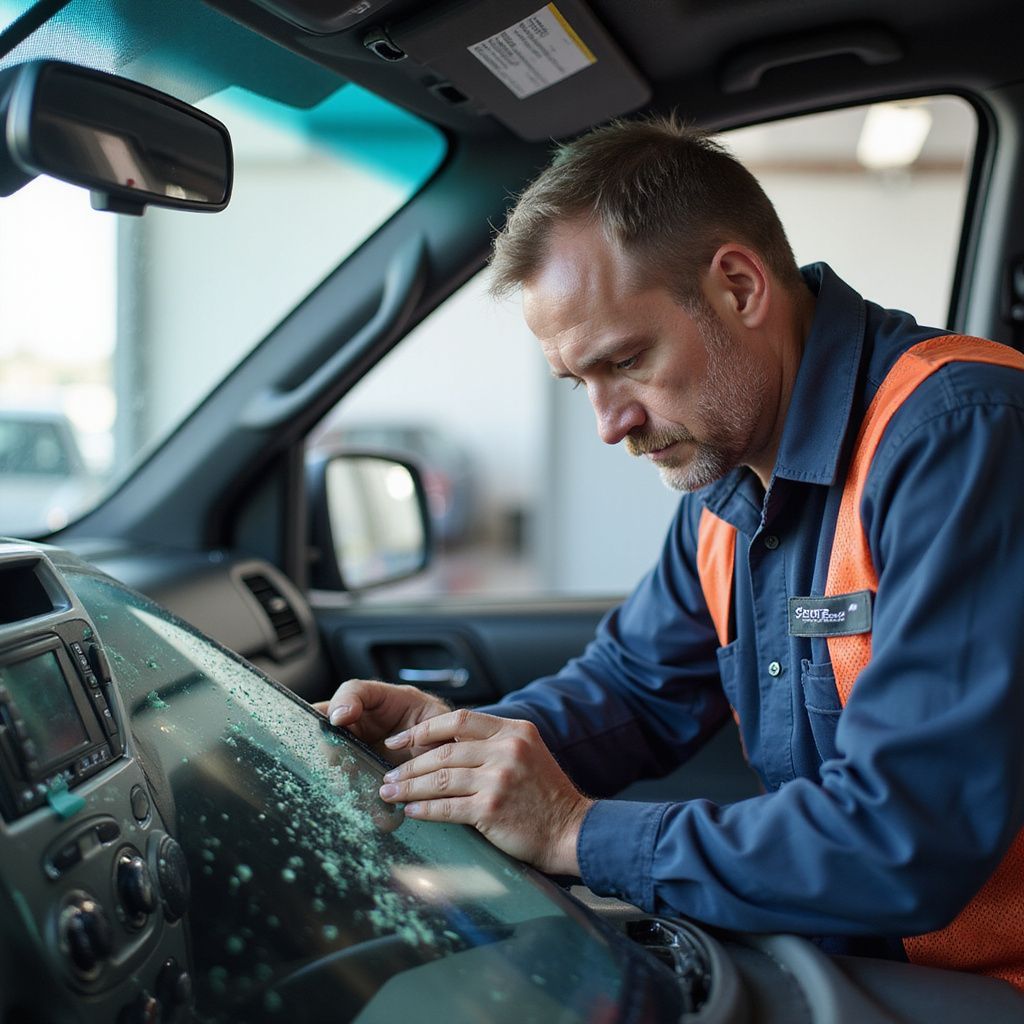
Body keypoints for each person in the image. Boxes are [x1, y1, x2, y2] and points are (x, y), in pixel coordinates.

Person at [316, 116, 1024, 988]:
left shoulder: (962, 437)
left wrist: (573, 832)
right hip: (863, 951)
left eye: (628, 360)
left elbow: (908, 835)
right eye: (582, 384)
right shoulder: (729, 483)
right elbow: (635, 691)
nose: (610, 424)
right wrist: (465, 752)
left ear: (737, 285)